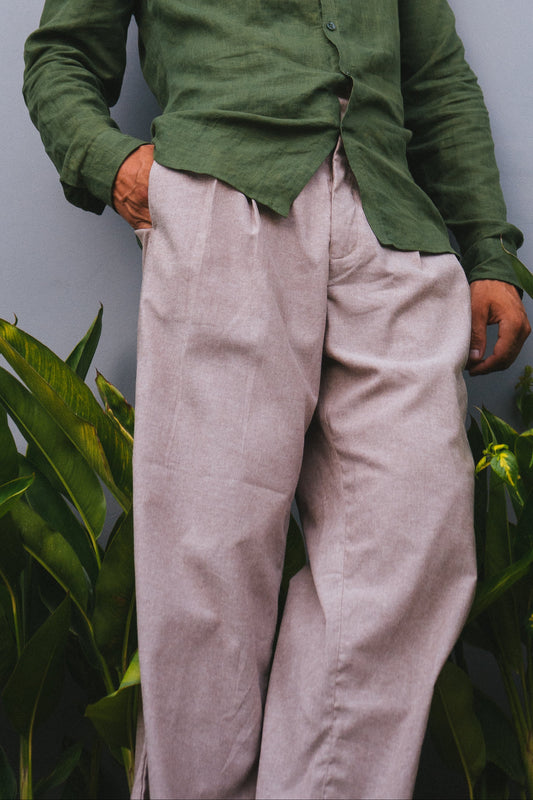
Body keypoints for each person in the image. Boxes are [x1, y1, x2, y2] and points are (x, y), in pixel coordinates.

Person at [23, 1, 530, 798]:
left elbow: (435, 79)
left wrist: (489, 250)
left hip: (391, 223)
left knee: (409, 535)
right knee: (207, 559)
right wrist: (116, 166)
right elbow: (60, 55)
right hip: (226, 204)